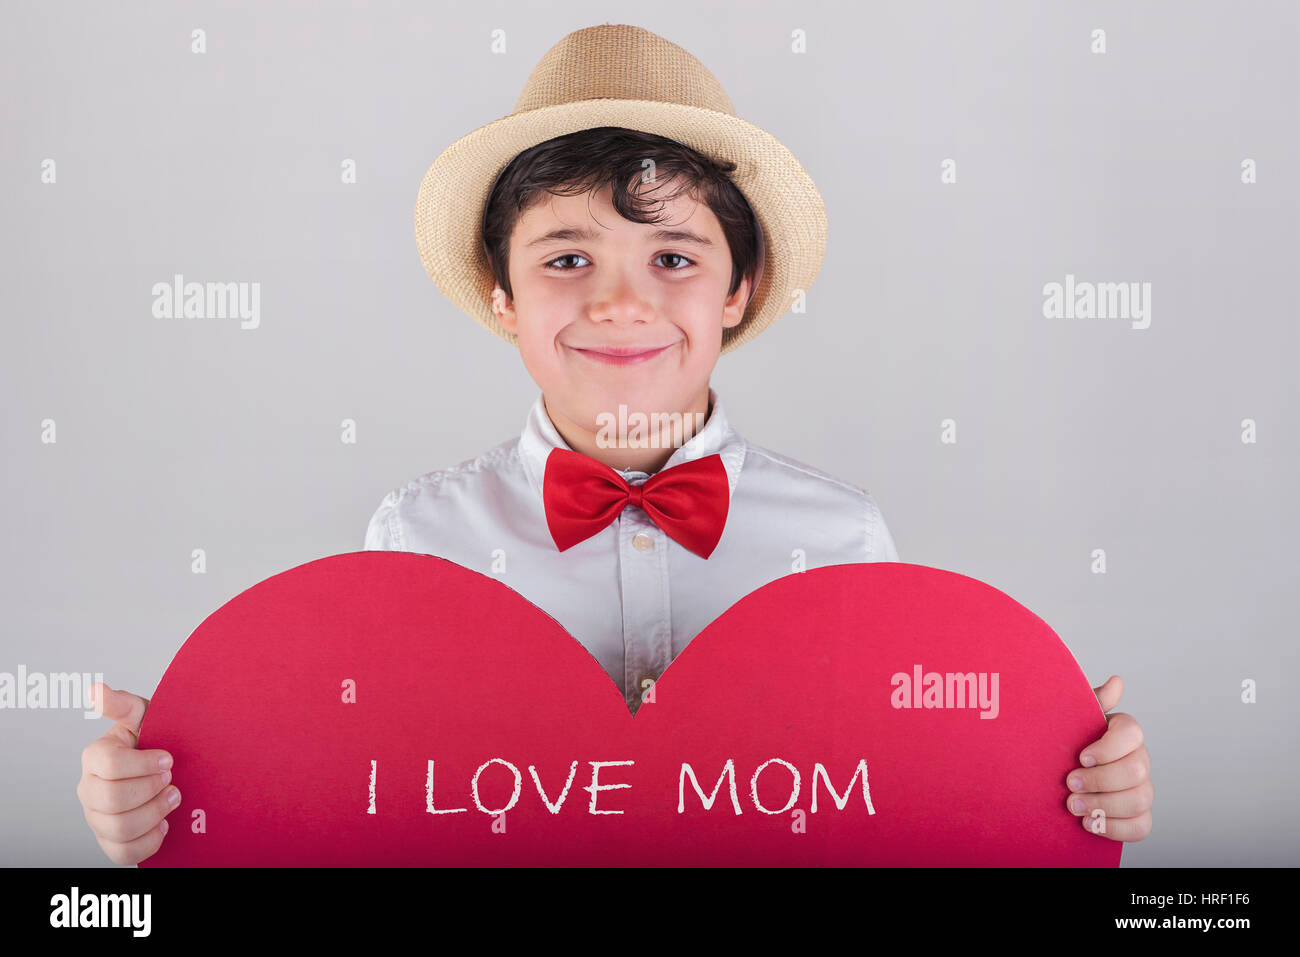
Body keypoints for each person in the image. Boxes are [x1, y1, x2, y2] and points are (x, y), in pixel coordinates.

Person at [78, 24, 1152, 865]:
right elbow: (367, 805)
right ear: (501, 294)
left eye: (674, 258)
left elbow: (891, 801)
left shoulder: (840, 535)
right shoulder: (416, 535)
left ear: (742, 290)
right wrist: (177, 795)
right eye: (565, 258)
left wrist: (1059, 774)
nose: (623, 302)